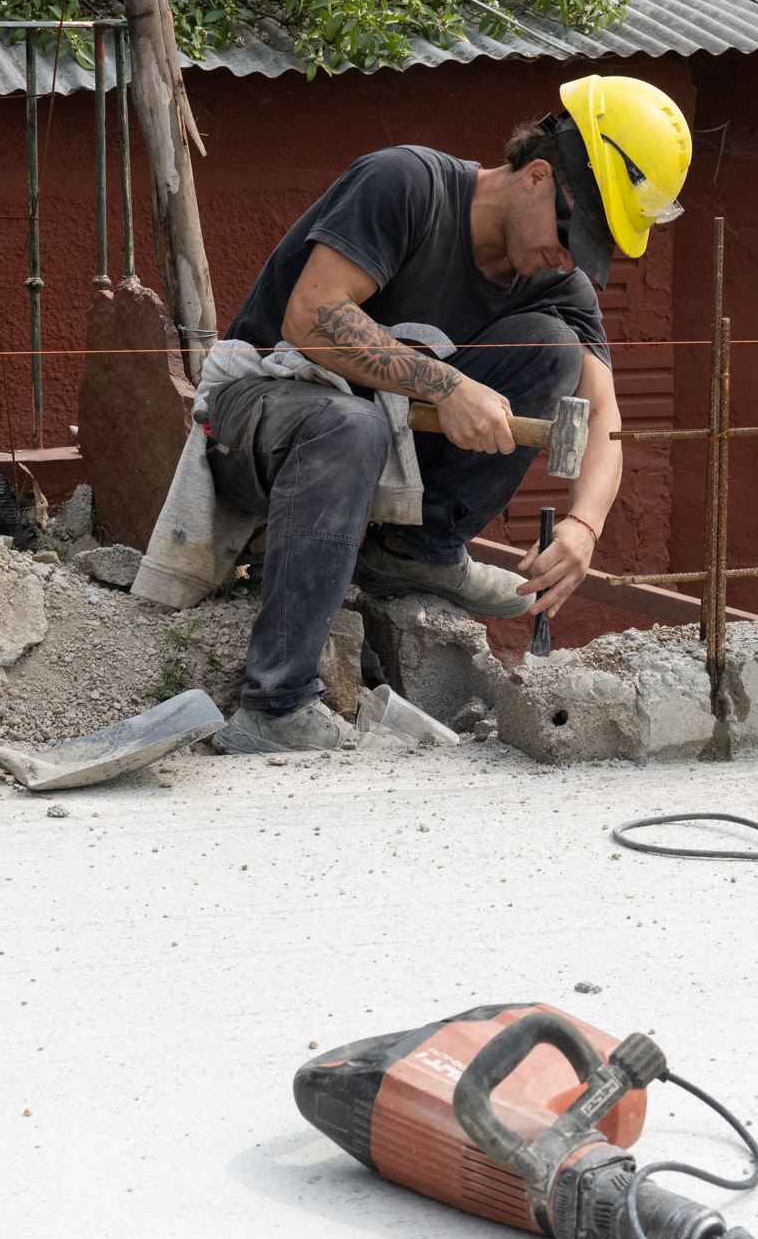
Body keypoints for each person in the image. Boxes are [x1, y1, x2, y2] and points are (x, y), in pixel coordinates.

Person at [203, 74, 692, 755]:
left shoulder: (557, 285)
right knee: (353, 426)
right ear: (536, 178)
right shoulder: (406, 184)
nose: (569, 259)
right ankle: (275, 706)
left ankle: (413, 551)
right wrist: (444, 385)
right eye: (570, 237)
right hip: (255, 418)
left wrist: (584, 526)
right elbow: (311, 317)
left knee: (552, 351)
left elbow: (605, 417)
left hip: (379, 455)